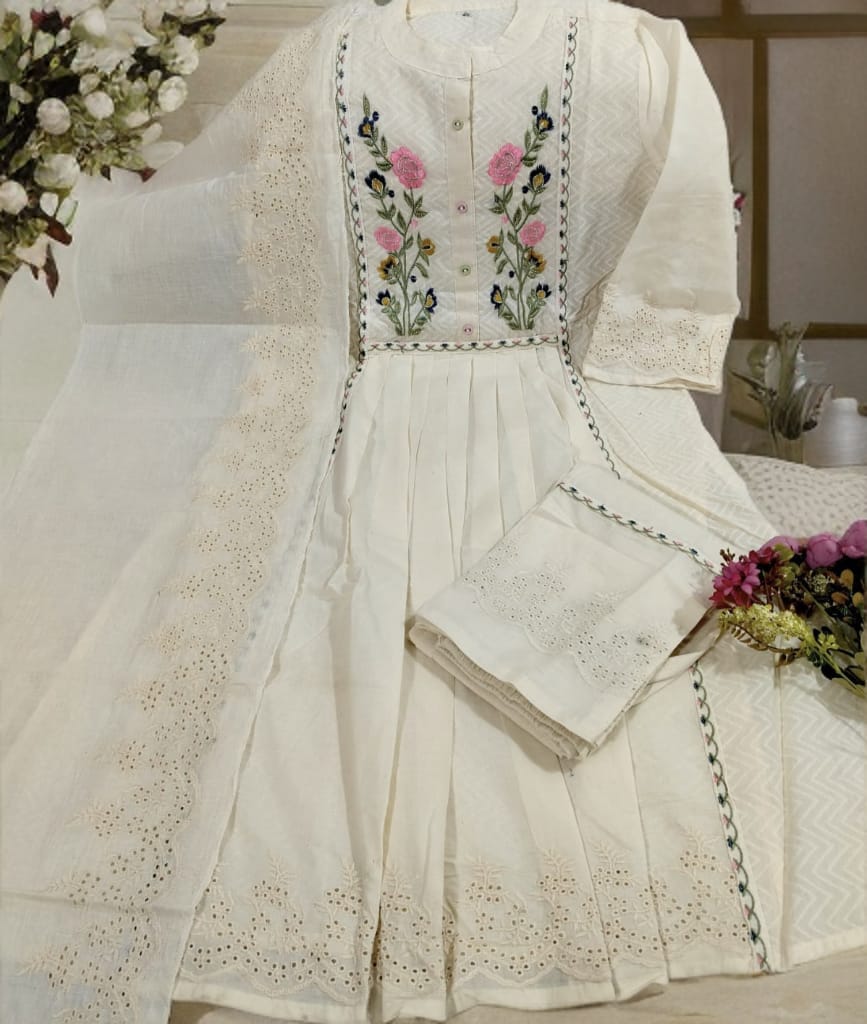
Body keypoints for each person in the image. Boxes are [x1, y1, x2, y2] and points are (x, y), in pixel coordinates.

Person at [1, 2, 864, 1022]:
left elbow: (261, 259)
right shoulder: (628, 51)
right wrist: (638, 375)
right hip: (553, 401)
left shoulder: (336, 53)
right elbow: (677, 255)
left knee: (330, 648)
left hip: (387, 410)